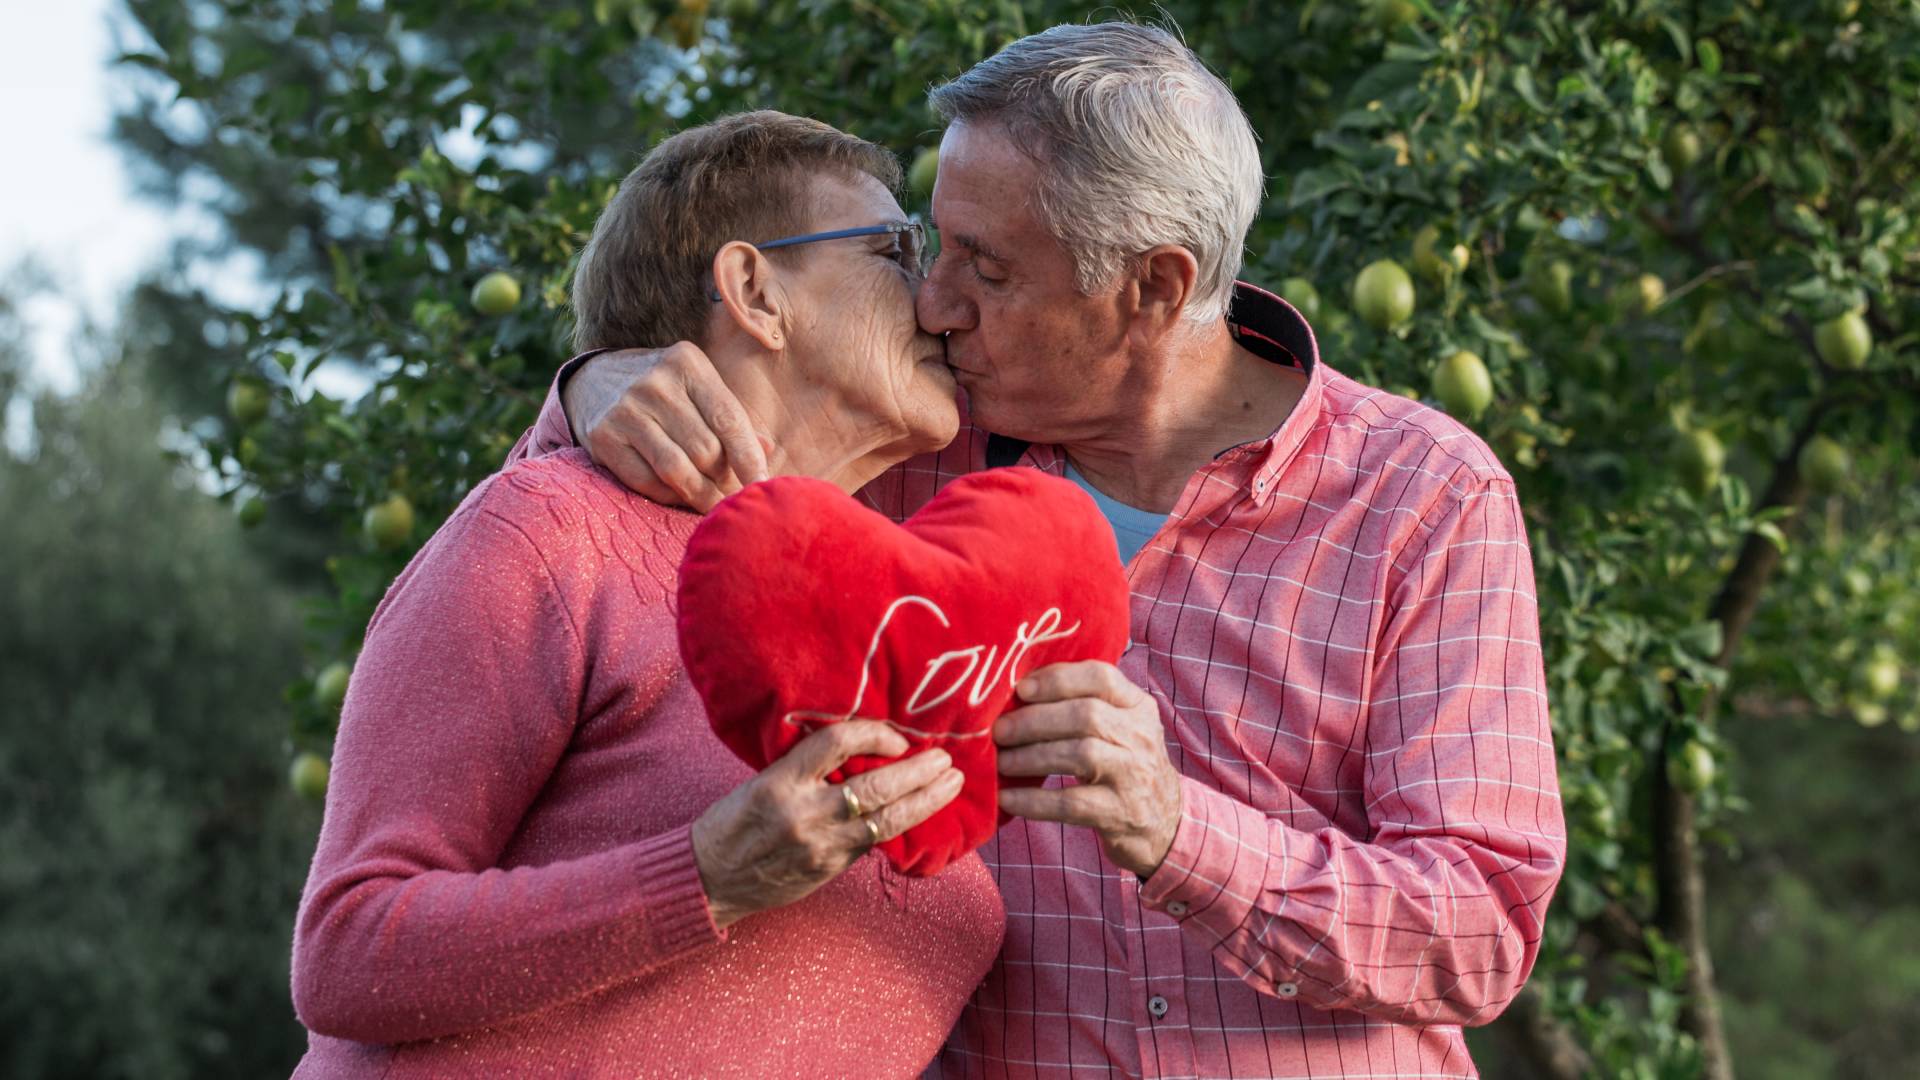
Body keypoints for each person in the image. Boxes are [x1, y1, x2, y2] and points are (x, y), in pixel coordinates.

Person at [512, 21, 1568, 1078]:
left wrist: (1178, 833)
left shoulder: (1421, 495)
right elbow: (569, 537)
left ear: (1156, 285)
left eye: (989, 267)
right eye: (935, 247)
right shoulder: (904, 458)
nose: (934, 305)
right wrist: (596, 388)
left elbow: (1482, 925)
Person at [289, 111, 1007, 1078]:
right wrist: (706, 875)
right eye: (894, 250)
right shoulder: (548, 532)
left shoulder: (900, 598)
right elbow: (347, 952)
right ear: (755, 290)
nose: (931, 297)